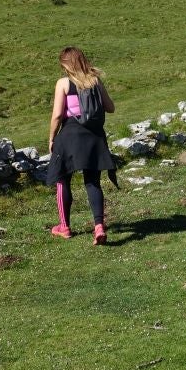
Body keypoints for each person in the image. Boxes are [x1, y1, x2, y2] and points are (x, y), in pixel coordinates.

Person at [47, 46, 118, 245]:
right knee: (93, 181)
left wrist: (51, 138)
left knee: (62, 178)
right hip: (94, 136)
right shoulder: (95, 80)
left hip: (70, 135)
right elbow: (110, 108)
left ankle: (64, 226)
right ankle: (99, 226)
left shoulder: (63, 83)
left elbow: (57, 115)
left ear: (66, 65)